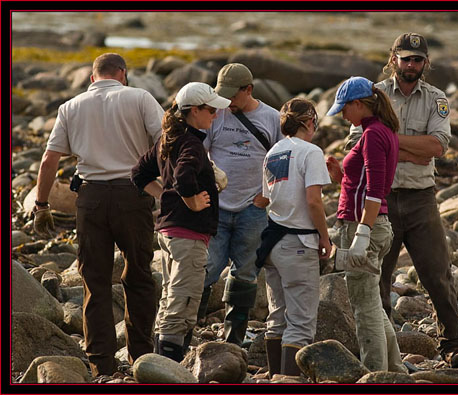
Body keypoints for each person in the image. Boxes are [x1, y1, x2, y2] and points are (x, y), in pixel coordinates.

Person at [345, 33, 458, 369]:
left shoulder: (436, 98)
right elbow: (358, 142)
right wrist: (410, 146)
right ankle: (381, 352)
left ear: (426, 63)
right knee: (379, 277)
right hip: (380, 197)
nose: (411, 65)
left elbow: (436, 148)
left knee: (436, 273)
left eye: (417, 59)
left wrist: (386, 141)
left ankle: (454, 344)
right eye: (405, 58)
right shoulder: (374, 95)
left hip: (420, 199)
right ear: (393, 59)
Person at [33, 53, 164, 377]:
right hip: (134, 194)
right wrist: (169, 190)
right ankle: (141, 356)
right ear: (122, 74)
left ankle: (101, 363)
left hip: (90, 198)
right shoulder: (140, 97)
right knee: (138, 276)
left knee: (95, 281)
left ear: (93, 78)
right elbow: (166, 143)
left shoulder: (71, 107)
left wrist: (41, 204)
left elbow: (50, 160)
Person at [130, 82, 231, 362]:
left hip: (170, 230)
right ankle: (168, 368)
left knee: (172, 296)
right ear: (194, 111)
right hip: (187, 233)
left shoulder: (169, 139)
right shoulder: (192, 143)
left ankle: (162, 363)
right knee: (182, 297)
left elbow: (138, 173)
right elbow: (184, 176)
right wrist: (189, 200)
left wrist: (165, 196)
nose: (215, 115)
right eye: (211, 110)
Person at [197, 63, 282, 346]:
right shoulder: (218, 113)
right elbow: (198, 154)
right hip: (217, 208)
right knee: (207, 268)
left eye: (233, 95)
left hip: (253, 209)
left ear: (249, 90)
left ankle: (233, 337)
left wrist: (267, 196)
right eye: (224, 95)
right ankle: (190, 327)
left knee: (245, 272)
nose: (228, 101)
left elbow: (283, 161)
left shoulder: (271, 118)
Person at [326, 76, 406, 373]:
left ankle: (374, 375)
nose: (343, 116)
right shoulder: (384, 131)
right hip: (377, 224)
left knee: (364, 307)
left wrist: (361, 233)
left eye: (344, 109)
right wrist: (340, 174)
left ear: (359, 104)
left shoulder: (372, 135)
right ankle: (394, 372)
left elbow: (375, 189)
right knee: (371, 300)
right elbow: (364, 183)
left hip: (363, 225)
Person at [256, 98, 332, 377]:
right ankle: (288, 380)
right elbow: (313, 201)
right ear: (309, 122)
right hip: (299, 243)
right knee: (300, 321)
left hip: (273, 243)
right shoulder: (311, 152)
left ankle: (275, 375)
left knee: (277, 317)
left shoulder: (273, 153)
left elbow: (264, 199)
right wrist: (324, 238)